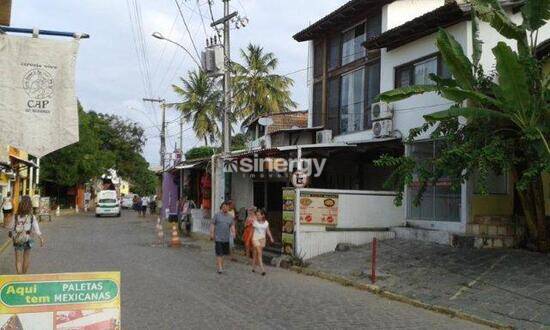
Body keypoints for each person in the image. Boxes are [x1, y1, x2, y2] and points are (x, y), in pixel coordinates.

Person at [9, 195, 44, 274]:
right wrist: (41, 238)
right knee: (26, 258)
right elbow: (37, 229)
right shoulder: (32, 217)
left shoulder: (16, 216)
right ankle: (23, 276)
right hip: (28, 239)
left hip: (18, 238)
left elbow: (11, 227)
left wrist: (12, 233)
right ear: (30, 205)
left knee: (18, 259)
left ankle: (19, 277)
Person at [210, 201, 235, 274]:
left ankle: (220, 264)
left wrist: (233, 232)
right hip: (218, 238)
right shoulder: (217, 215)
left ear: (228, 208)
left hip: (226, 238)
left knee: (223, 254)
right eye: (224, 207)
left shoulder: (230, 217)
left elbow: (232, 225)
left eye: (227, 207)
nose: (225, 208)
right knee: (219, 253)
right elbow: (212, 224)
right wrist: (212, 233)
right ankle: (220, 268)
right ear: (221, 207)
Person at [251, 208, 274, 276]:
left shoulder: (266, 223)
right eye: (256, 215)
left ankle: (253, 267)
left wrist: (271, 237)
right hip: (255, 239)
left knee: (255, 254)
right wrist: (250, 239)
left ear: (262, 215)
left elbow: (268, 231)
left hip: (262, 239)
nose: (257, 216)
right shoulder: (255, 222)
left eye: (258, 215)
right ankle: (262, 269)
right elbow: (252, 231)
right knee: (259, 253)